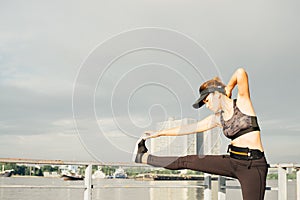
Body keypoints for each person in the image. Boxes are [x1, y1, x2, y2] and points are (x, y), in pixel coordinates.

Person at [133, 68, 268, 200]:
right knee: (186, 161)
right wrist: (159, 133)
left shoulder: (242, 103)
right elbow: (189, 128)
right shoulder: (217, 118)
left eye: (207, 100)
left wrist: (228, 89)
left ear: (216, 93)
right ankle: (143, 157)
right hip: (233, 161)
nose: (207, 106)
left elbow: (241, 72)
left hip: (252, 166)